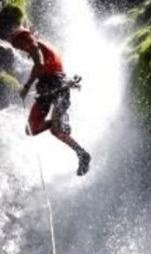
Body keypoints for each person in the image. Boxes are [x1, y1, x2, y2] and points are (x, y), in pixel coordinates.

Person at [9, 27, 91, 176]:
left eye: (19, 46)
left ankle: (78, 149)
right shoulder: (41, 44)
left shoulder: (33, 45)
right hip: (59, 86)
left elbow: (39, 64)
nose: (21, 49)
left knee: (36, 129)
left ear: (23, 40)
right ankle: (78, 149)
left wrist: (27, 87)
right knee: (37, 129)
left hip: (52, 86)